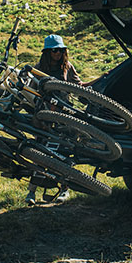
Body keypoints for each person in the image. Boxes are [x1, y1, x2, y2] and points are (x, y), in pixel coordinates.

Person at [25, 34, 82, 205]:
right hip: (44, 117)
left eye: (60, 50)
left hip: (64, 115)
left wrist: (99, 81)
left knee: (64, 151)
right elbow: (30, 90)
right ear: (47, 52)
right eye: (53, 50)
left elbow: (78, 85)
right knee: (40, 152)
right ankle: (32, 192)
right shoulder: (38, 68)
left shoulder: (67, 67)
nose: (57, 53)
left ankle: (65, 188)